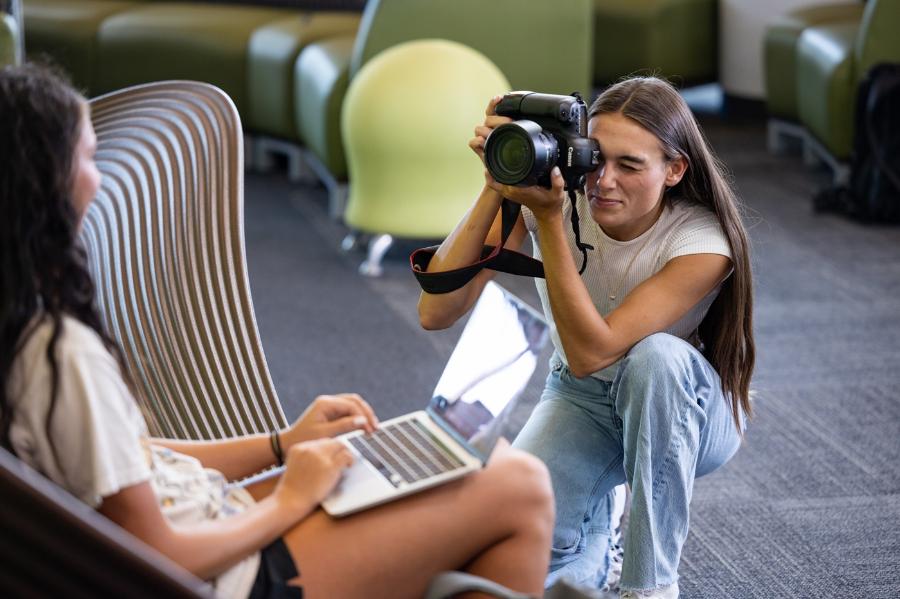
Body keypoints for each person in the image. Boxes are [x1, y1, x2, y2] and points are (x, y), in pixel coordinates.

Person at [0, 63, 555, 599]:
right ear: (45, 181)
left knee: (460, 469)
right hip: (226, 576)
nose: (100, 179)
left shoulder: (23, 322)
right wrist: (289, 500)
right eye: (91, 157)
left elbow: (133, 458)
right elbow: (157, 553)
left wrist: (280, 445)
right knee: (520, 486)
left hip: (213, 521)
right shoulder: (59, 351)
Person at [418, 77, 755, 599]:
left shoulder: (701, 242)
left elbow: (590, 351)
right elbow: (436, 311)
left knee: (656, 358)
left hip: (683, 409)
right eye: (596, 157)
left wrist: (550, 221)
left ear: (675, 169)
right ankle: (599, 548)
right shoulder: (555, 193)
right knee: (507, 547)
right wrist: (496, 182)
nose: (604, 181)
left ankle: (650, 586)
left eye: (630, 165)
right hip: (583, 398)